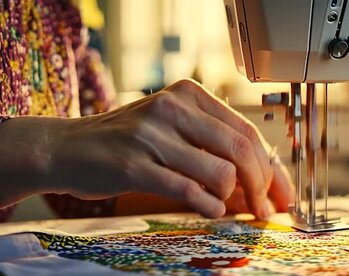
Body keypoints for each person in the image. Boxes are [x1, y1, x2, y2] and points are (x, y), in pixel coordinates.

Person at [0, 0, 294, 222]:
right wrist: (50, 148)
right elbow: (65, 154)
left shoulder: (66, 11)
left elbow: (85, 182)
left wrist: (201, 181)